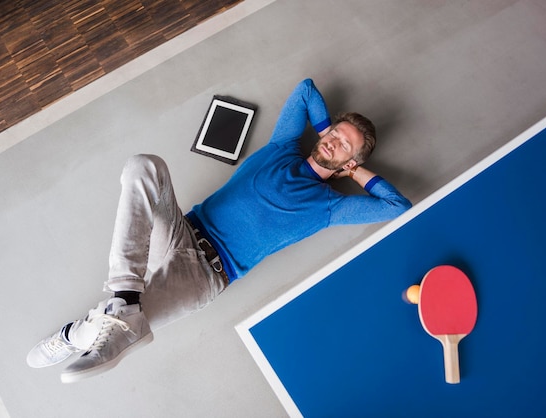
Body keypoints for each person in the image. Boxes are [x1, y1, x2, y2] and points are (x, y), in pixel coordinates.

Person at [26, 78, 412, 383]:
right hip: (182, 230)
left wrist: (354, 169)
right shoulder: (283, 146)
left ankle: (72, 336)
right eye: (335, 134)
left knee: (128, 320)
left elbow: (398, 207)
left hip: (205, 274)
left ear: (350, 161)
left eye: (345, 144)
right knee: (144, 165)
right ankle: (120, 299)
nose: (334, 141)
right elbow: (306, 89)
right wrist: (329, 131)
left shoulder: (329, 206)